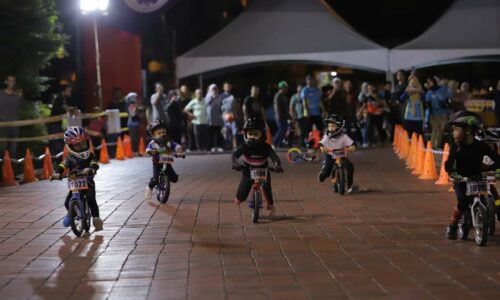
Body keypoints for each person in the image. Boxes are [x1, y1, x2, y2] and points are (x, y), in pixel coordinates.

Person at [444, 111, 499, 240]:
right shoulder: (456, 147)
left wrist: (498, 169)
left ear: (467, 130)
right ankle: (452, 224)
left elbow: (495, 158)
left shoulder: (481, 146)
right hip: (462, 179)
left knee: (492, 192)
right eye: (453, 130)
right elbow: (449, 164)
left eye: (456, 130)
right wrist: (453, 173)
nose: (453, 133)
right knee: (463, 201)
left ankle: (497, 209)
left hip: (477, 177)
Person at [53, 126, 102, 233]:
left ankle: (96, 218)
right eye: (78, 145)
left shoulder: (90, 155)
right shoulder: (70, 158)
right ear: (70, 146)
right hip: (74, 183)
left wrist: (92, 168)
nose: (81, 146)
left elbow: (94, 163)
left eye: (83, 143)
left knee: (90, 198)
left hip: (88, 181)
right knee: (67, 202)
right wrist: (57, 173)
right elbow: (63, 165)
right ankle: (72, 212)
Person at [232, 118, 283, 216]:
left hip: (263, 170)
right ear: (245, 134)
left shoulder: (266, 147)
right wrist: (235, 163)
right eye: (250, 134)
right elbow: (235, 155)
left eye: (256, 134)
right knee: (242, 194)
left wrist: (277, 165)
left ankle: (270, 205)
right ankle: (239, 198)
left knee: (267, 188)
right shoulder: (245, 146)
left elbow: (274, 157)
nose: (252, 137)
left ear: (262, 135)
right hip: (248, 171)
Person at [144, 120, 184, 198]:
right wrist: (150, 151)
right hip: (157, 163)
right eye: (159, 133)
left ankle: (167, 179)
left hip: (167, 161)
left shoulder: (169, 142)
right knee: (155, 180)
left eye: (163, 132)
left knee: (174, 178)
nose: (162, 135)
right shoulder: (153, 144)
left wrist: (179, 150)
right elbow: (148, 149)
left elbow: (176, 146)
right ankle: (149, 187)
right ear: (153, 135)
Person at [317, 114, 356, 194]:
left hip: (341, 154)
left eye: (333, 126)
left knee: (350, 167)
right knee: (328, 169)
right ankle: (323, 174)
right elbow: (322, 143)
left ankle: (349, 184)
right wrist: (322, 148)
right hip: (330, 154)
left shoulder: (343, 136)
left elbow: (351, 143)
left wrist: (352, 147)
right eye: (329, 126)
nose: (331, 128)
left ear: (339, 127)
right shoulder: (327, 136)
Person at [0, 75, 23, 157]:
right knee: (2, 149)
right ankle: (3, 168)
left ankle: (13, 168)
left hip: (15, 126)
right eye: (9, 80)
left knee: (13, 150)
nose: (11, 83)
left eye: (13, 81)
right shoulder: (1, 94)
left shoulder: (17, 95)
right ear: (6, 82)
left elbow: (20, 109)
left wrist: (20, 98)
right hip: (3, 126)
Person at [48, 85, 75, 154]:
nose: (70, 93)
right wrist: (73, 110)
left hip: (57, 124)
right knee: (55, 143)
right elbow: (66, 108)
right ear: (64, 91)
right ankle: (55, 160)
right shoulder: (60, 98)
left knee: (60, 141)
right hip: (54, 124)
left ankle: (58, 159)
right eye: (68, 91)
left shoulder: (63, 98)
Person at [425, 76, 450, 148]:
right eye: (428, 82)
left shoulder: (443, 89)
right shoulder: (429, 92)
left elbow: (448, 98)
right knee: (434, 130)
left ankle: (437, 145)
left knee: (440, 131)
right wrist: (430, 114)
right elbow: (428, 104)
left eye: (430, 81)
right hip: (434, 114)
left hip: (443, 113)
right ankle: (432, 146)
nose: (429, 83)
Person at [221, 82, 240, 150]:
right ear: (223, 88)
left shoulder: (234, 95)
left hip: (233, 116)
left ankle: (234, 145)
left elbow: (237, 106)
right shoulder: (221, 96)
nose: (227, 87)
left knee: (234, 131)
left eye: (229, 86)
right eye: (226, 86)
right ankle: (227, 145)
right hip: (224, 117)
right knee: (226, 131)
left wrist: (238, 115)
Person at [204, 84, 224, 152]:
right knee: (211, 134)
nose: (214, 90)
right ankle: (212, 147)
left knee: (218, 133)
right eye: (213, 89)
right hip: (210, 120)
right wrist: (211, 96)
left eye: (215, 89)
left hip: (218, 119)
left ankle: (219, 146)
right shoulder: (207, 97)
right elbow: (206, 104)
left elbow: (222, 107)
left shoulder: (220, 97)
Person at [273, 81, 289, 148]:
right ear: (281, 88)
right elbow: (276, 106)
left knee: (283, 129)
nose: (286, 89)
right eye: (285, 87)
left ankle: (279, 143)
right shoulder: (278, 96)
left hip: (284, 116)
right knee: (281, 129)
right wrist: (278, 115)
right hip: (280, 116)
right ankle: (275, 142)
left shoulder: (283, 96)